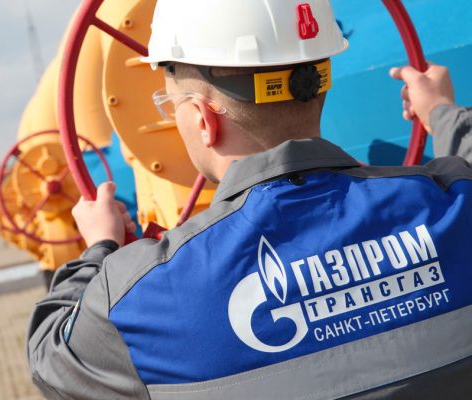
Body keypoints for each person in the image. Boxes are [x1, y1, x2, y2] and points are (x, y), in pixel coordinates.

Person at [27, 1, 472, 398]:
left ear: (203, 120)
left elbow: (50, 360)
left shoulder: (148, 295)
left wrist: (98, 248)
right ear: (318, 87)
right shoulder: (456, 205)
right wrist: (441, 111)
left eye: (170, 105)